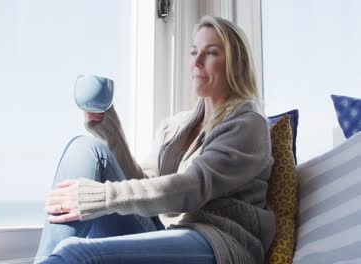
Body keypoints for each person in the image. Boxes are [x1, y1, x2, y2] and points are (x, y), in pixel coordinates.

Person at [33, 15, 275, 264]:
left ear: (237, 64)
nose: (197, 62)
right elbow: (146, 185)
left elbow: (192, 188)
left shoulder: (248, 124)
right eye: (194, 52)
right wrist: (109, 129)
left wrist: (99, 198)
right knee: (87, 148)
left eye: (211, 53)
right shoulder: (176, 127)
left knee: (76, 253)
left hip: (219, 243)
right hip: (166, 230)